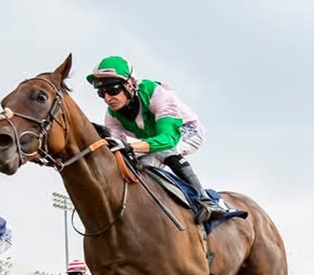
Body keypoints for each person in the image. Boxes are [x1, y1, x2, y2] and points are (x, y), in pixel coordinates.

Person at [86, 55, 227, 224]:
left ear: (130, 84)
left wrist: (131, 147)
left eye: (113, 89)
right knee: (138, 166)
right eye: (101, 93)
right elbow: (118, 151)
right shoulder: (112, 116)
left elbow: (168, 139)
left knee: (164, 150)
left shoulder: (158, 95)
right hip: (156, 140)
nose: (107, 98)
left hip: (187, 130)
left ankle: (206, 201)